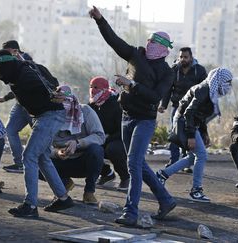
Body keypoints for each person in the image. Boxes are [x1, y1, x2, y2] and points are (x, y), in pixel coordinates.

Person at [89, 6, 176, 226]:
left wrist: (132, 84)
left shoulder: (167, 72)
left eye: (154, 43)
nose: (149, 45)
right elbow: (114, 41)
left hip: (145, 120)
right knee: (136, 163)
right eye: (149, 40)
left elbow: (155, 97)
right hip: (126, 117)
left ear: (164, 49)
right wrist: (100, 20)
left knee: (133, 163)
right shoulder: (136, 55)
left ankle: (131, 212)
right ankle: (165, 200)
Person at [0, 50, 74, 218]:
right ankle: (63, 198)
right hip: (42, 116)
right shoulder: (17, 73)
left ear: (11, 65)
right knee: (42, 157)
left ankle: (30, 206)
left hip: (50, 115)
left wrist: (58, 93)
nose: (0, 71)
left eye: (2, 66)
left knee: (29, 156)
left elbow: (48, 84)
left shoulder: (27, 74)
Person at [156, 67, 233, 203]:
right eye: (228, 82)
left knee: (193, 157)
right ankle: (196, 190)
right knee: (201, 155)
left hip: (190, 123)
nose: (229, 85)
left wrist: (204, 133)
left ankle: (162, 175)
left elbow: (200, 116)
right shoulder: (203, 90)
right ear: (219, 80)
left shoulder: (210, 91)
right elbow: (189, 113)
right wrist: (191, 136)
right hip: (184, 122)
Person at [0, 40, 59, 173]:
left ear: (15, 51)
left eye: (7, 53)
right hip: (21, 105)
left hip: (36, 106)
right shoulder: (10, 63)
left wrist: (4, 98)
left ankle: (56, 172)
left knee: (42, 143)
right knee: (11, 130)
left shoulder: (24, 63)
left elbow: (27, 85)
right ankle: (19, 163)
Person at [44, 85, 106, 204]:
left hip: (82, 161)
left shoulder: (86, 111)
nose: (65, 107)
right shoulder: (50, 116)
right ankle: (62, 184)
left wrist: (78, 143)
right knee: (33, 159)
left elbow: (99, 136)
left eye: (68, 101)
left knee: (96, 150)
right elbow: (42, 145)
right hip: (60, 161)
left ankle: (89, 192)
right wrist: (57, 153)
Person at [159, 47, 207, 169]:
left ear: (191, 57)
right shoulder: (174, 70)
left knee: (190, 134)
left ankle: (187, 163)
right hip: (177, 108)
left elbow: (204, 89)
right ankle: (173, 161)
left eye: (185, 57)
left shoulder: (199, 71)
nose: (183, 59)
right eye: (181, 57)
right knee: (175, 134)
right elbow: (168, 88)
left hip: (193, 109)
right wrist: (163, 105)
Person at [88, 76, 130, 191]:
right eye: (91, 87)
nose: (92, 90)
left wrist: (108, 138)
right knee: (88, 148)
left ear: (104, 89)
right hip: (99, 138)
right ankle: (107, 173)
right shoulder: (91, 105)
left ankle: (125, 177)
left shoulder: (116, 104)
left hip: (118, 139)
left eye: (96, 87)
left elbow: (122, 130)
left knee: (112, 149)